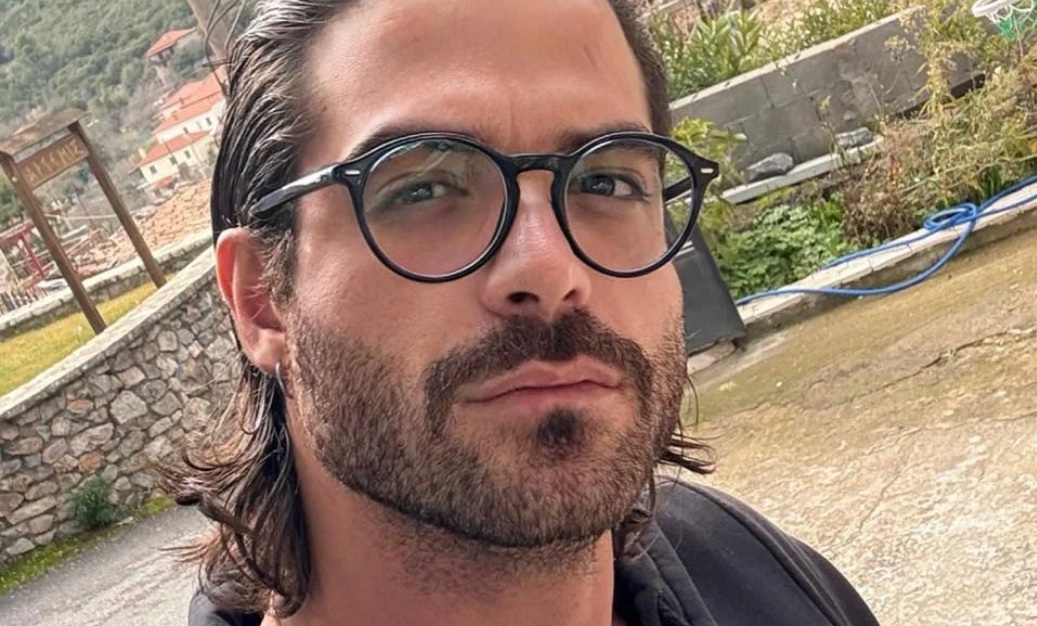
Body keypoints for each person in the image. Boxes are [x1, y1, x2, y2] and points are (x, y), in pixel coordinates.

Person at [169, 0, 881, 624]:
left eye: (606, 180)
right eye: (421, 189)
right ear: (262, 301)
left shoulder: (759, 576)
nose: (550, 269)